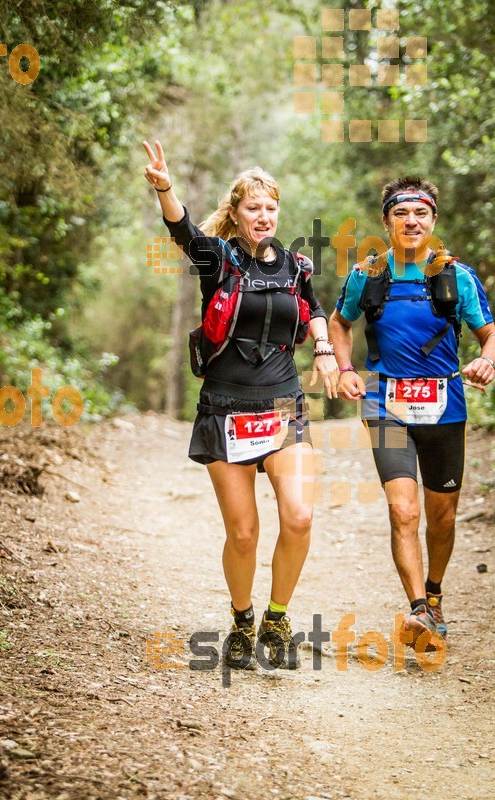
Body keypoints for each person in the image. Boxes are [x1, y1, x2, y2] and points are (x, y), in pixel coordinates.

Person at [143, 139, 339, 670]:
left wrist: (324, 348)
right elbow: (183, 230)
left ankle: (277, 617)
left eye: (271, 207)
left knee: (298, 517)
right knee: (244, 532)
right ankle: (242, 618)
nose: (263, 215)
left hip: (281, 405)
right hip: (227, 406)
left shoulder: (296, 264)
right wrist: (166, 189)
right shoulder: (220, 257)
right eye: (253, 207)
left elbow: (314, 307)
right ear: (236, 212)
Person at [329, 176, 494, 648]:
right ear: (387, 222)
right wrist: (344, 368)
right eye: (401, 214)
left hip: (446, 408)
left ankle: (436, 597)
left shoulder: (455, 276)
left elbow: (489, 333)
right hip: (386, 406)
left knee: (442, 518)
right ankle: (418, 608)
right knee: (404, 509)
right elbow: (341, 323)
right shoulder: (368, 274)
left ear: (433, 221)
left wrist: (487, 359)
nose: (411, 221)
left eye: (420, 213)